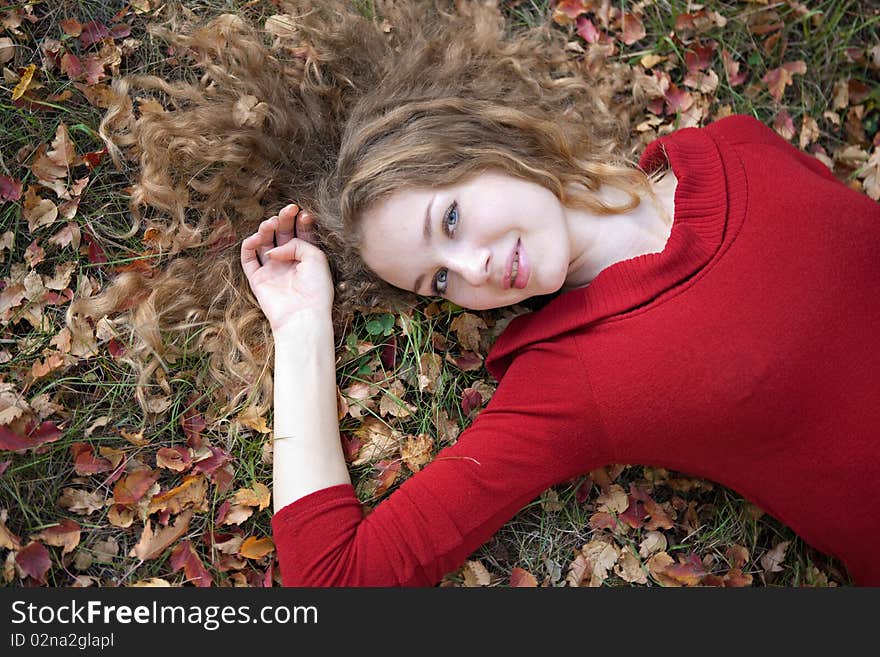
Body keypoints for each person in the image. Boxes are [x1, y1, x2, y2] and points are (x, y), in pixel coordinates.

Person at [75, 0, 880, 586]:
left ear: (487, 139)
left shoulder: (729, 143)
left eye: (451, 216)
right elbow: (336, 581)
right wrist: (299, 325)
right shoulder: (577, 381)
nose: (477, 271)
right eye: (440, 279)